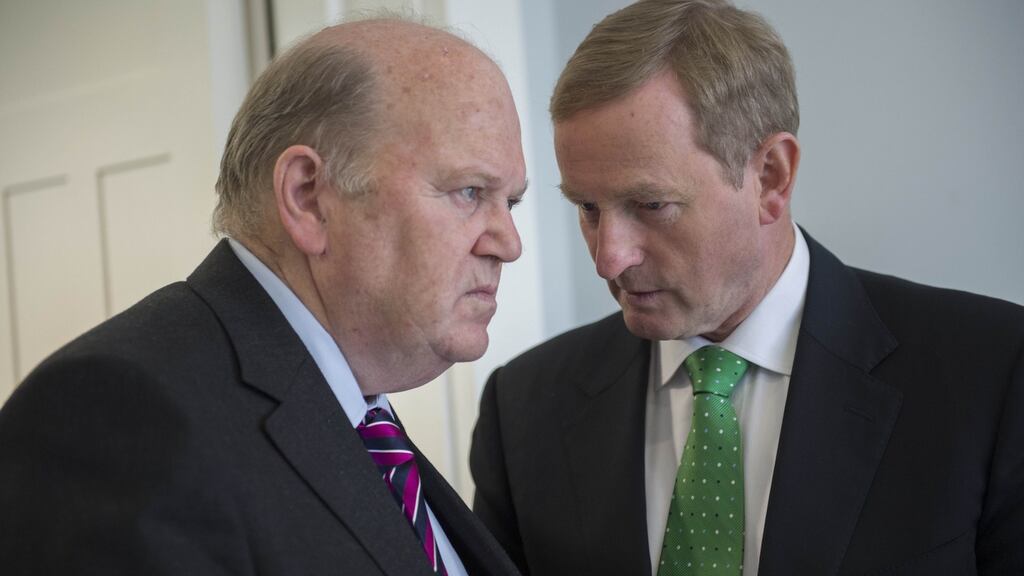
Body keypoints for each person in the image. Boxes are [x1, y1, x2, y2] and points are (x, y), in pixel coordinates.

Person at [469, 1, 1024, 575]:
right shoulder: (524, 409)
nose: (609, 257)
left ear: (770, 177)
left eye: (651, 204)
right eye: (588, 208)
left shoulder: (992, 376)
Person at [0, 17, 526, 576]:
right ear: (308, 197)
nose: (509, 243)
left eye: (511, 202)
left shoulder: (361, 416)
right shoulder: (114, 418)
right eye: (470, 192)